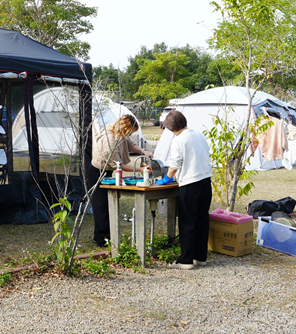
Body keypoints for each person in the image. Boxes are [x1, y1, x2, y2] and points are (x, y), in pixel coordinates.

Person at [90, 114, 152, 247]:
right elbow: (118, 164)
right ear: (125, 128)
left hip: (107, 171)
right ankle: (100, 239)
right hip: (96, 173)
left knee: (108, 204)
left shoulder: (120, 134)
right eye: (130, 131)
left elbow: (130, 144)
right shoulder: (110, 140)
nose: (130, 134)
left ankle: (107, 235)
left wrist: (143, 152)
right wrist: (140, 170)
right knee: (101, 206)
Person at [163, 110, 213, 270]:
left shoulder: (179, 140)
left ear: (171, 128)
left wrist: (166, 178)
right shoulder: (199, 135)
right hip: (206, 181)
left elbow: (175, 164)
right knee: (202, 221)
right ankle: (200, 257)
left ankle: (186, 260)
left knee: (188, 222)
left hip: (190, 184)